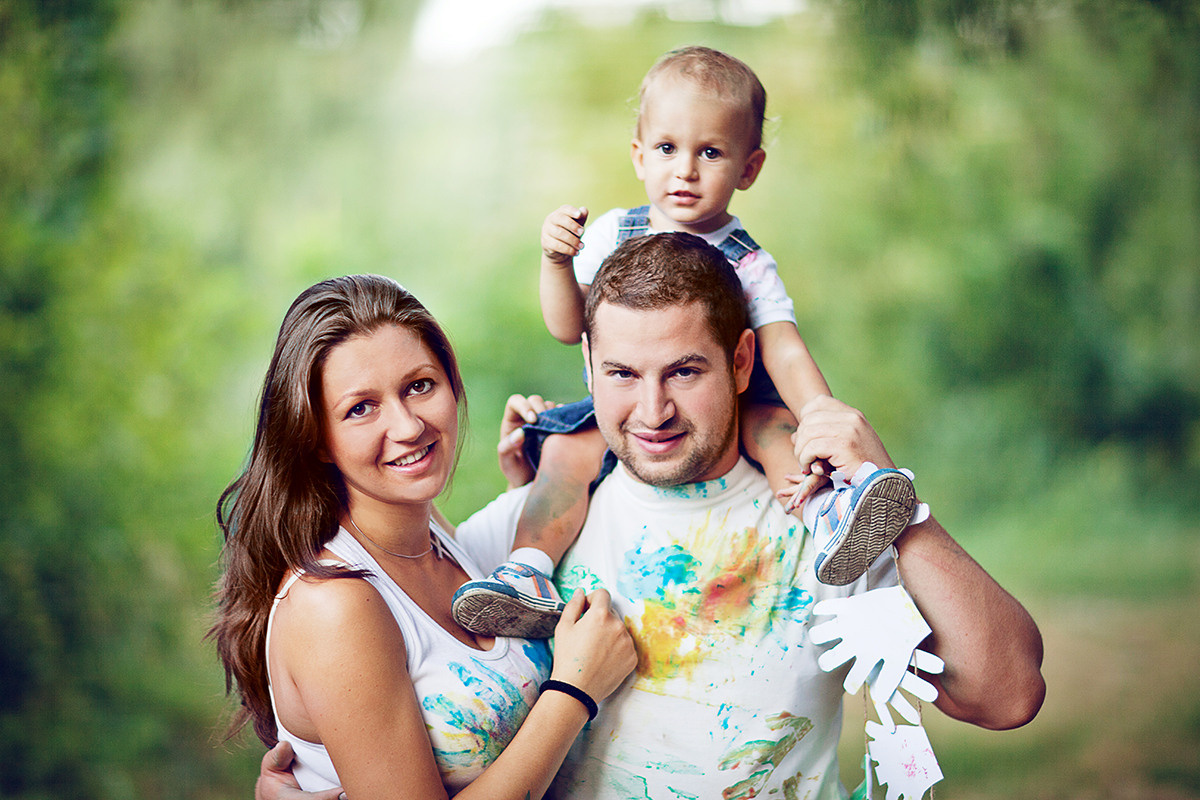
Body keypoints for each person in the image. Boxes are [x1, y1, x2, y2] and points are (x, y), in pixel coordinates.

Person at [258, 234, 1045, 799]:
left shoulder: (819, 522)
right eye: (623, 374)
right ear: (590, 371)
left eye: (686, 371)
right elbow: (375, 706)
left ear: (742, 364)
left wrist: (894, 498)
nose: (653, 409)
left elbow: (1005, 693)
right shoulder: (520, 539)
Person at [451, 46, 916, 638]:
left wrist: (819, 413)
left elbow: (783, 346)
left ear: (749, 169)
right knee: (567, 454)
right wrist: (555, 262)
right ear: (639, 155)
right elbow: (570, 326)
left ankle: (830, 519)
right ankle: (527, 571)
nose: (686, 171)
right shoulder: (613, 233)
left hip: (734, 400)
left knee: (776, 433)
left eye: (711, 152)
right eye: (668, 149)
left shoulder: (746, 261)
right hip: (621, 402)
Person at [211, 274, 637, 799]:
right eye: (360, 408)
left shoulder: (429, 532)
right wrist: (575, 691)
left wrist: (520, 487)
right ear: (316, 438)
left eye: (419, 385)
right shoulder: (335, 605)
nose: (409, 426)